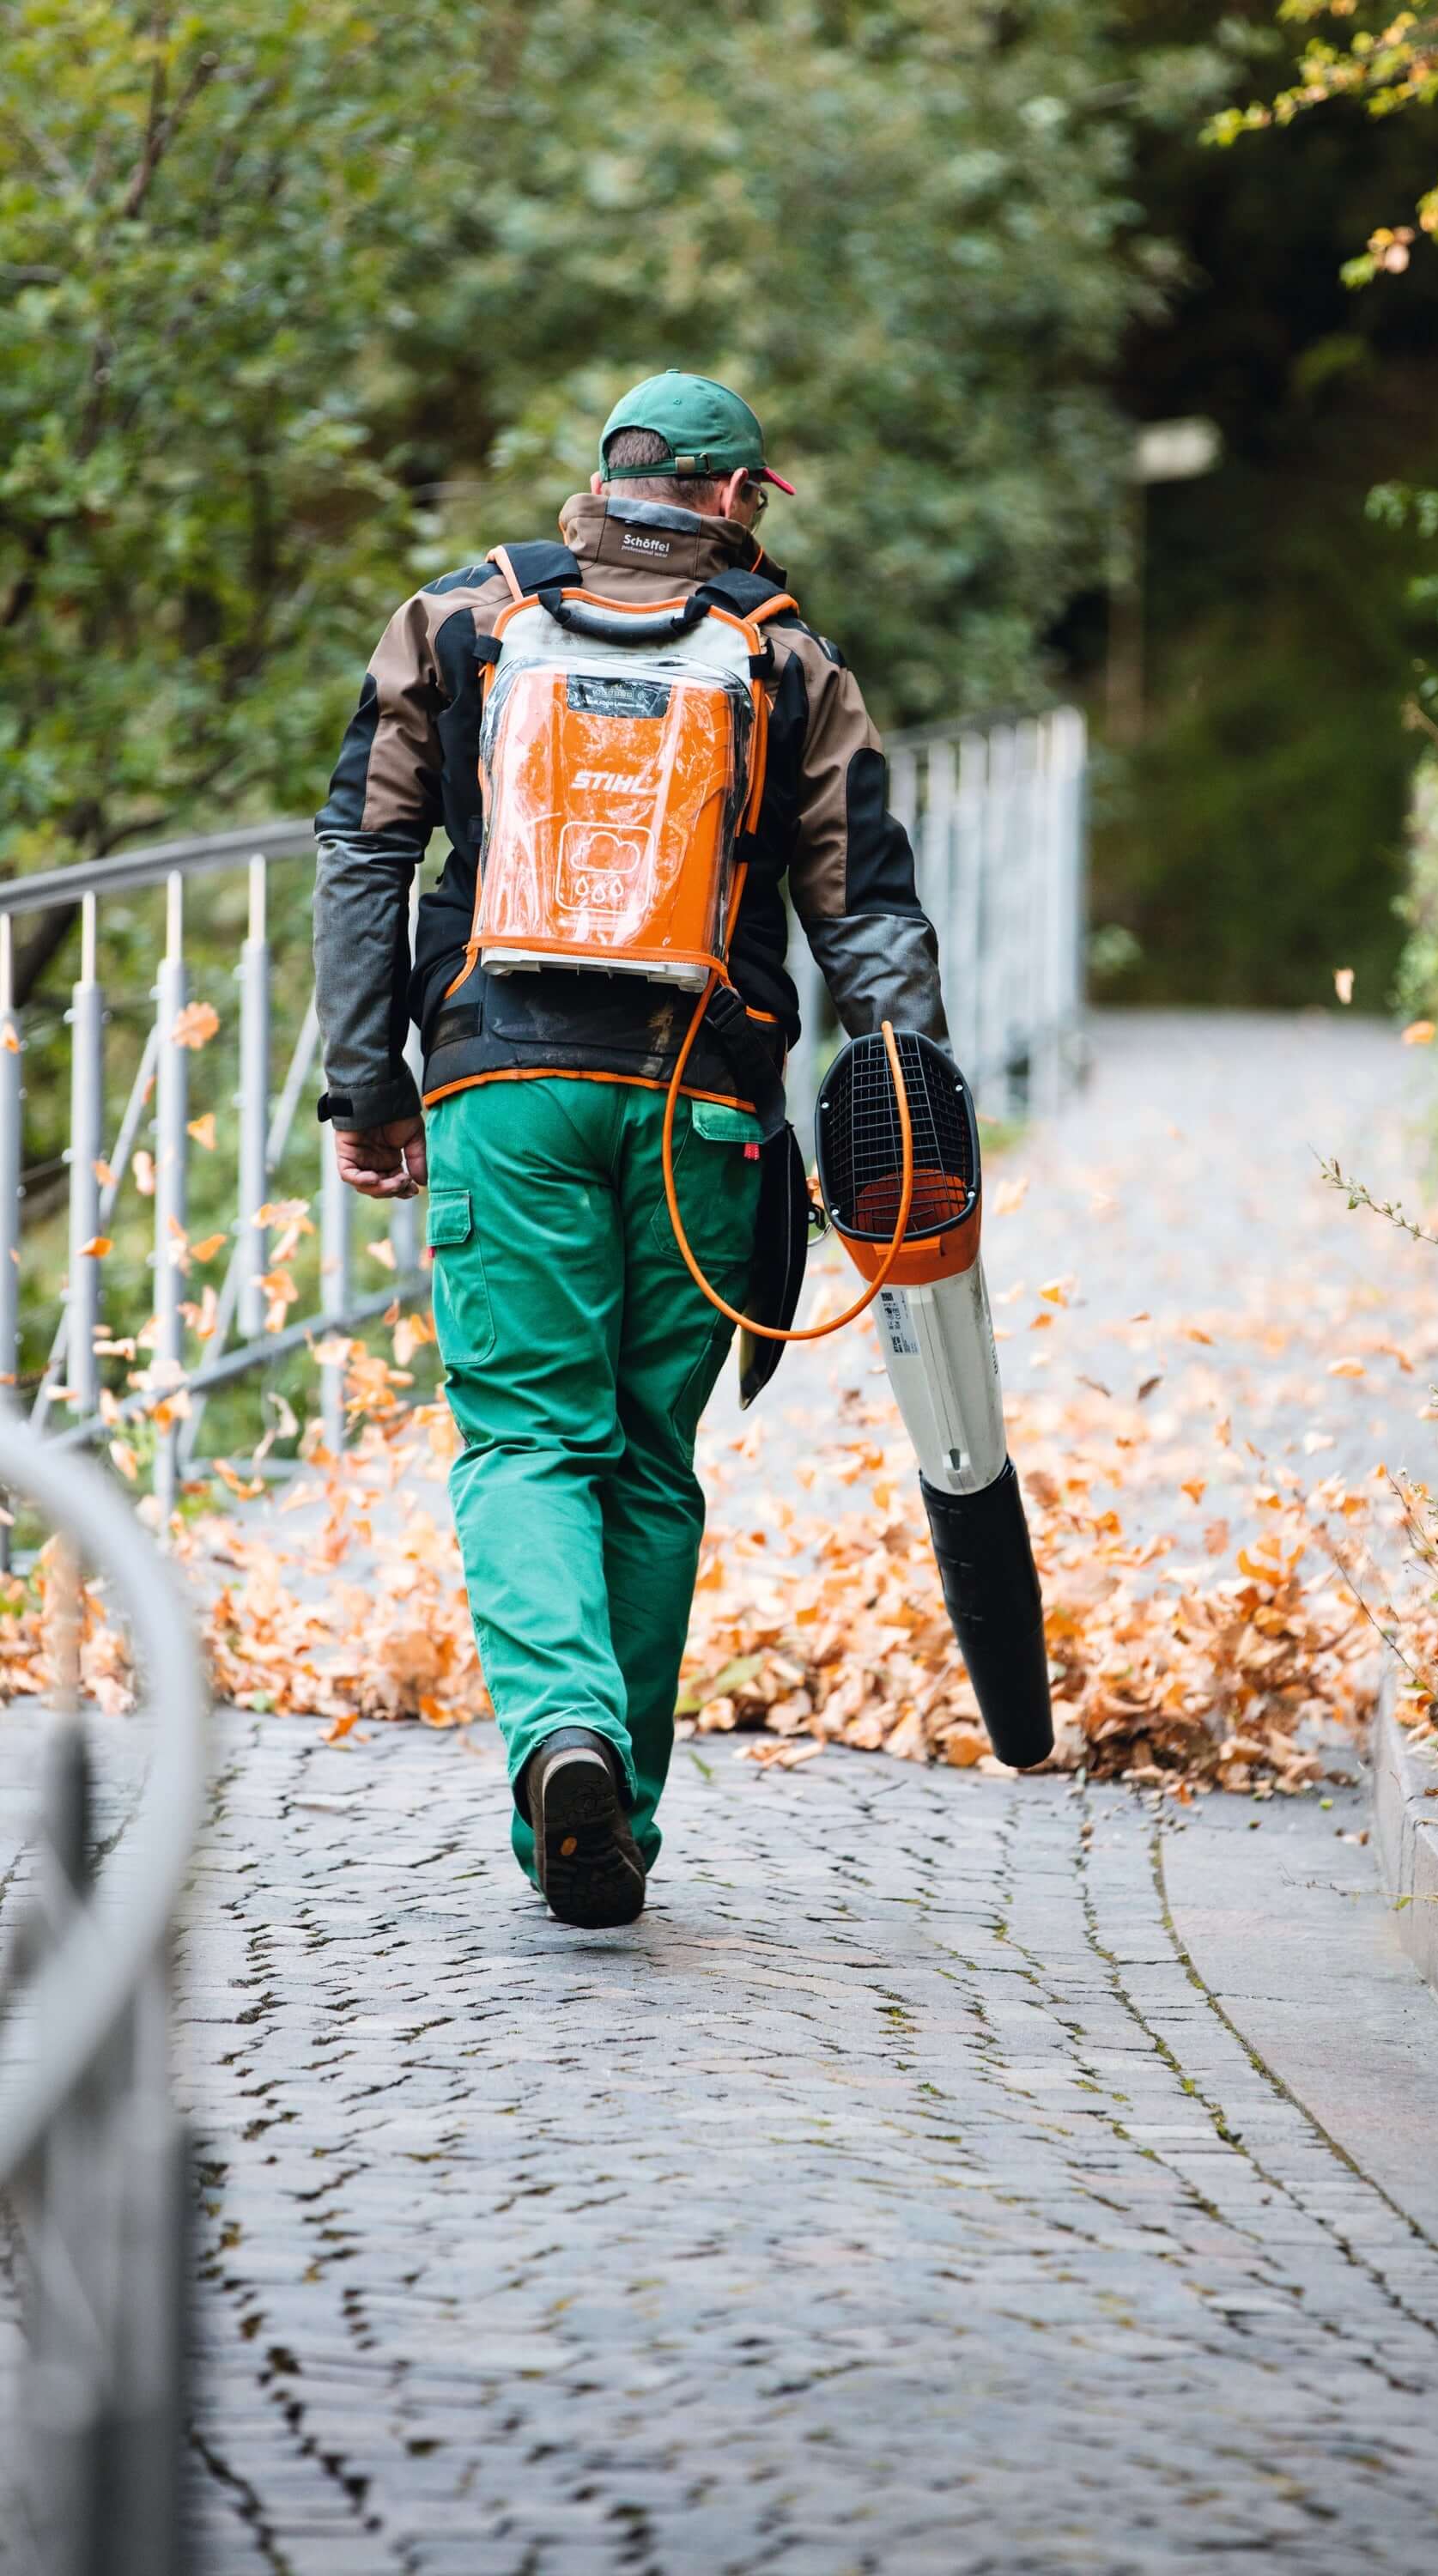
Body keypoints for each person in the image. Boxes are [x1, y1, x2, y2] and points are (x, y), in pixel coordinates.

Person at [312, 370, 948, 1929]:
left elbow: (366, 847)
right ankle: (614, 1829)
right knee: (646, 1464)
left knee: (528, 1440)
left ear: (606, 479)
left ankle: (562, 1741)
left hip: (498, 1087)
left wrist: (365, 1084)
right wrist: (907, 1101)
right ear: (736, 497)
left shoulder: (457, 623)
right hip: (704, 1103)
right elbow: (861, 907)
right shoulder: (785, 659)